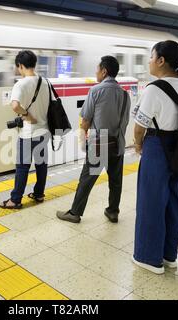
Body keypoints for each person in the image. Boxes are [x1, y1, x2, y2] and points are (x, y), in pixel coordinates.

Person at [132, 40, 178, 275]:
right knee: (172, 200)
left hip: (157, 146)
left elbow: (139, 127)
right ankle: (169, 256)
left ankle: (149, 257)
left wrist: (138, 145)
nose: (149, 61)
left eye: (150, 56)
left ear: (161, 60)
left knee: (151, 201)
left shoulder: (154, 89)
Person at [56, 56, 130, 224]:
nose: (96, 72)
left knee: (87, 179)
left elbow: (86, 119)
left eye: (97, 69)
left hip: (99, 143)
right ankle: (113, 211)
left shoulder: (96, 91)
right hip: (118, 143)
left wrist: (82, 139)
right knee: (116, 180)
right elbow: (124, 122)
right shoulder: (125, 95)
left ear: (104, 71)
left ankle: (75, 213)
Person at [0, 50, 50, 209]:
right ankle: (39, 194)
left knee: (22, 167)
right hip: (44, 131)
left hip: (28, 133)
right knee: (41, 165)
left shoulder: (21, 84)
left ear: (20, 65)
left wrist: (27, 115)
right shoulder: (45, 82)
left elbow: (15, 105)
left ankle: (15, 200)